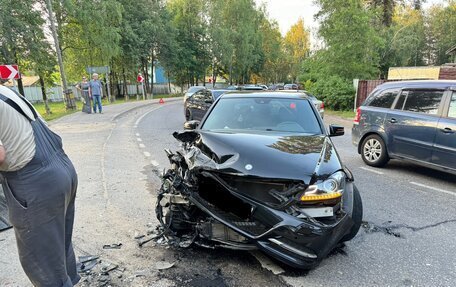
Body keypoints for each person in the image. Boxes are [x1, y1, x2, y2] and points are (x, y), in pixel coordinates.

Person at [0, 85, 80, 287]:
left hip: (35, 182)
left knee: (43, 265)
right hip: (61, 170)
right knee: (58, 251)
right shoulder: (5, 91)